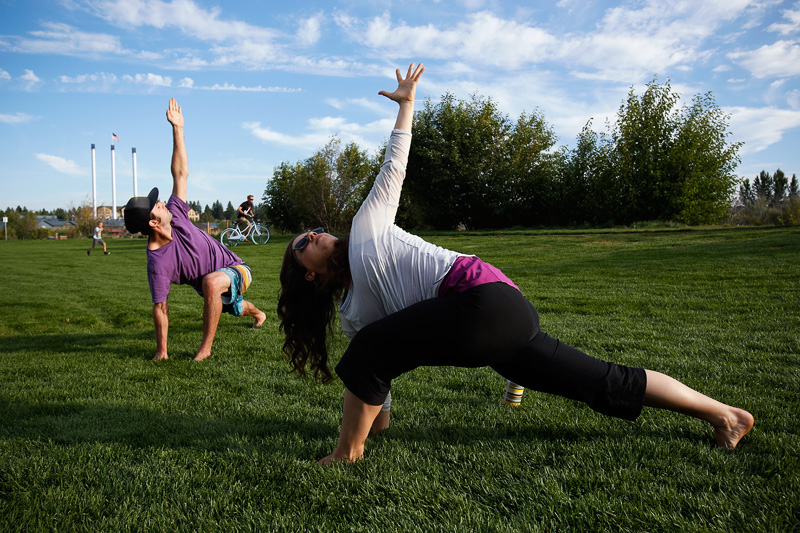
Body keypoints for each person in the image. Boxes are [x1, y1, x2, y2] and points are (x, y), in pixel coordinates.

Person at [277, 63, 754, 465]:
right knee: (603, 381)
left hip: (485, 304)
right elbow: (375, 377)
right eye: (302, 243)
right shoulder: (353, 313)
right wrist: (378, 422)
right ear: (309, 275)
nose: (313, 234)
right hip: (497, 321)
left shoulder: (367, 227)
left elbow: (394, 165)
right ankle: (726, 416)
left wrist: (406, 105)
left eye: (312, 231)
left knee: (371, 347)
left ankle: (346, 454)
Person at [124, 98, 266, 361]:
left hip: (237, 268)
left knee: (211, 282)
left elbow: (180, 174)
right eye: (157, 206)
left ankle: (205, 350)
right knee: (236, 307)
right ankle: (259, 313)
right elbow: (161, 307)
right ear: (153, 223)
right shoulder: (157, 263)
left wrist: (178, 129)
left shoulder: (176, 214)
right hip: (213, 286)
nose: (162, 203)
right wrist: (161, 351)